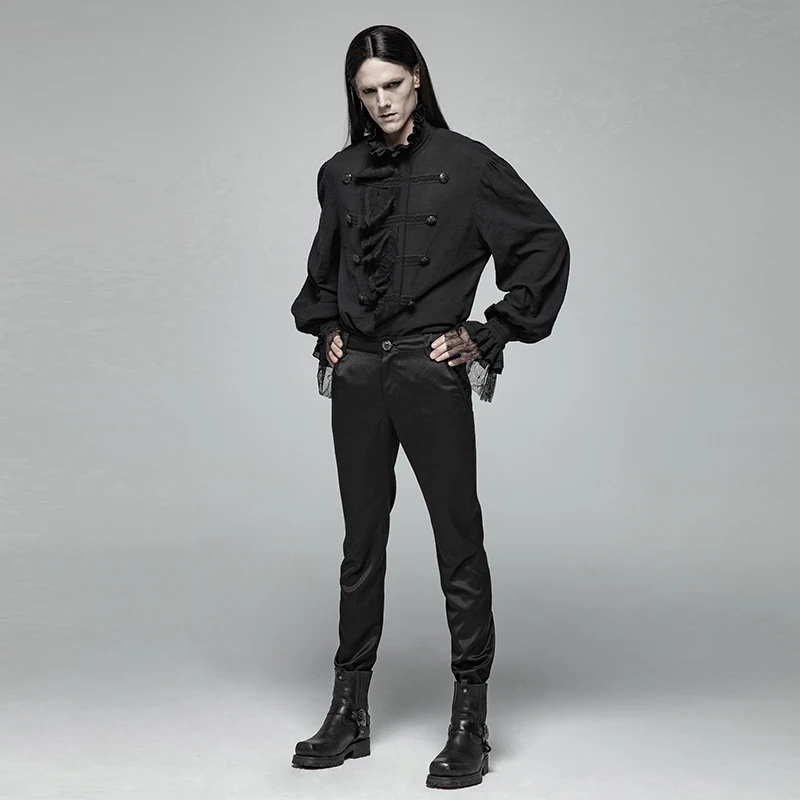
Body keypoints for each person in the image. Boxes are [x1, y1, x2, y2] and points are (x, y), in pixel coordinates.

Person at [290, 24, 570, 790]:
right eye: (368, 91)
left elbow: (543, 246)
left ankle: (470, 723)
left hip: (428, 368)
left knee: (457, 541)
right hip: (358, 375)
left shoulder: (468, 164)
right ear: (356, 95)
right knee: (361, 544)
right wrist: (327, 331)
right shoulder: (338, 174)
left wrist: (489, 332)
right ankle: (349, 712)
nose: (383, 102)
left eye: (393, 84)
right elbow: (323, 274)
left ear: (417, 77)